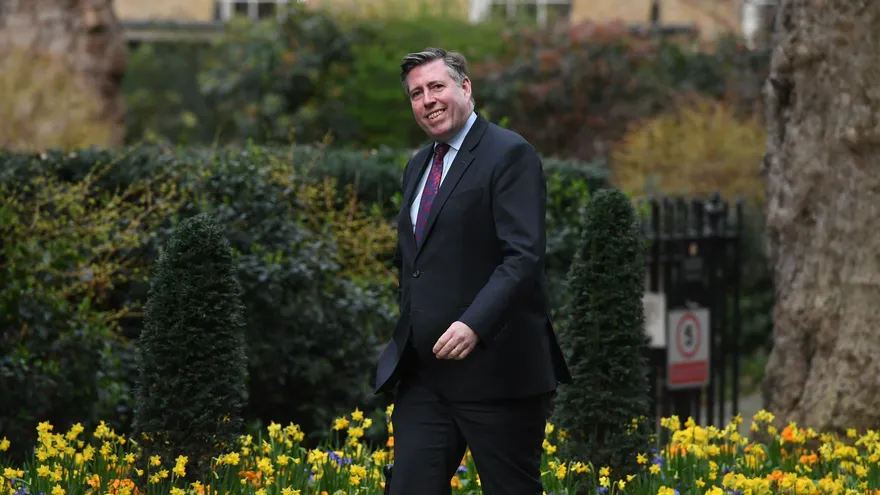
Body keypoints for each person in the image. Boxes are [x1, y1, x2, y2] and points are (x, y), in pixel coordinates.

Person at [373, 47, 572, 495]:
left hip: (498, 372)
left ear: (465, 88)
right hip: (426, 375)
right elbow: (416, 263)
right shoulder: (419, 164)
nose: (427, 100)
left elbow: (522, 256)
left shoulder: (510, 153)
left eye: (437, 86)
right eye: (416, 93)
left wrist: (473, 324)